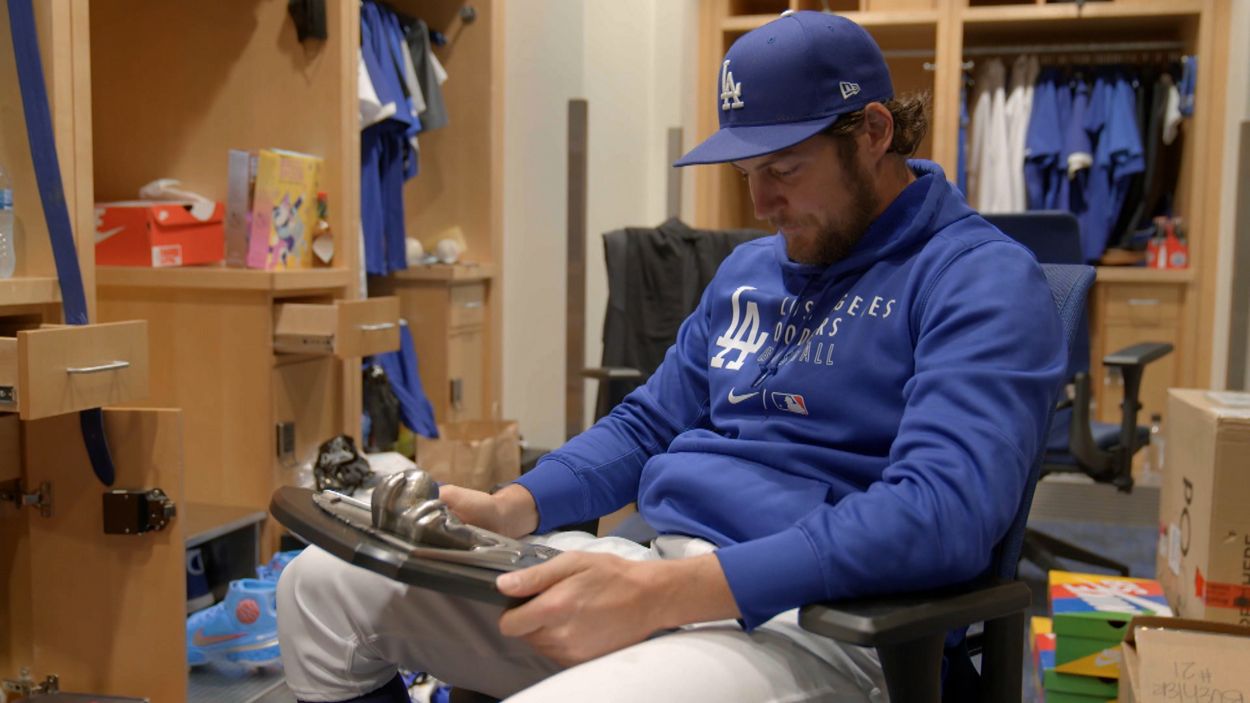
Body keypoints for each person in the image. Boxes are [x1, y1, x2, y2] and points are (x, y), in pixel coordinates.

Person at [277, 11, 1066, 702]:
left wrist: (666, 593)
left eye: (784, 169)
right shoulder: (751, 271)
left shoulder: (979, 278)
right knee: (320, 588)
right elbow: (646, 425)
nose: (761, 205)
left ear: (874, 133)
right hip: (658, 569)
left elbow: (941, 512)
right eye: (748, 174)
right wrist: (506, 508)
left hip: (820, 624)